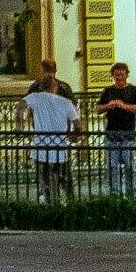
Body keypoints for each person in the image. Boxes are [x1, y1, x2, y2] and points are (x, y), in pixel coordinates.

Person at [19, 70, 81, 201]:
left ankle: (48, 202)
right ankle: (71, 202)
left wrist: (19, 125)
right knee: (65, 179)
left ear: (42, 87)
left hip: (41, 148)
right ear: (55, 87)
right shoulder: (65, 102)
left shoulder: (35, 97)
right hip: (60, 148)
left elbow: (20, 106)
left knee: (44, 180)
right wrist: (75, 135)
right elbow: (76, 122)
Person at [97, 63, 136, 191]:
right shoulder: (108, 91)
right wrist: (109, 105)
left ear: (126, 75)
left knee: (130, 165)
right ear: (113, 76)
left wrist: (124, 106)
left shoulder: (134, 90)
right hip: (111, 134)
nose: (119, 77)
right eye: (116, 75)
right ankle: (114, 192)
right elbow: (98, 109)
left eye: (122, 75)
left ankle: (131, 191)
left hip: (128, 133)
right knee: (112, 166)